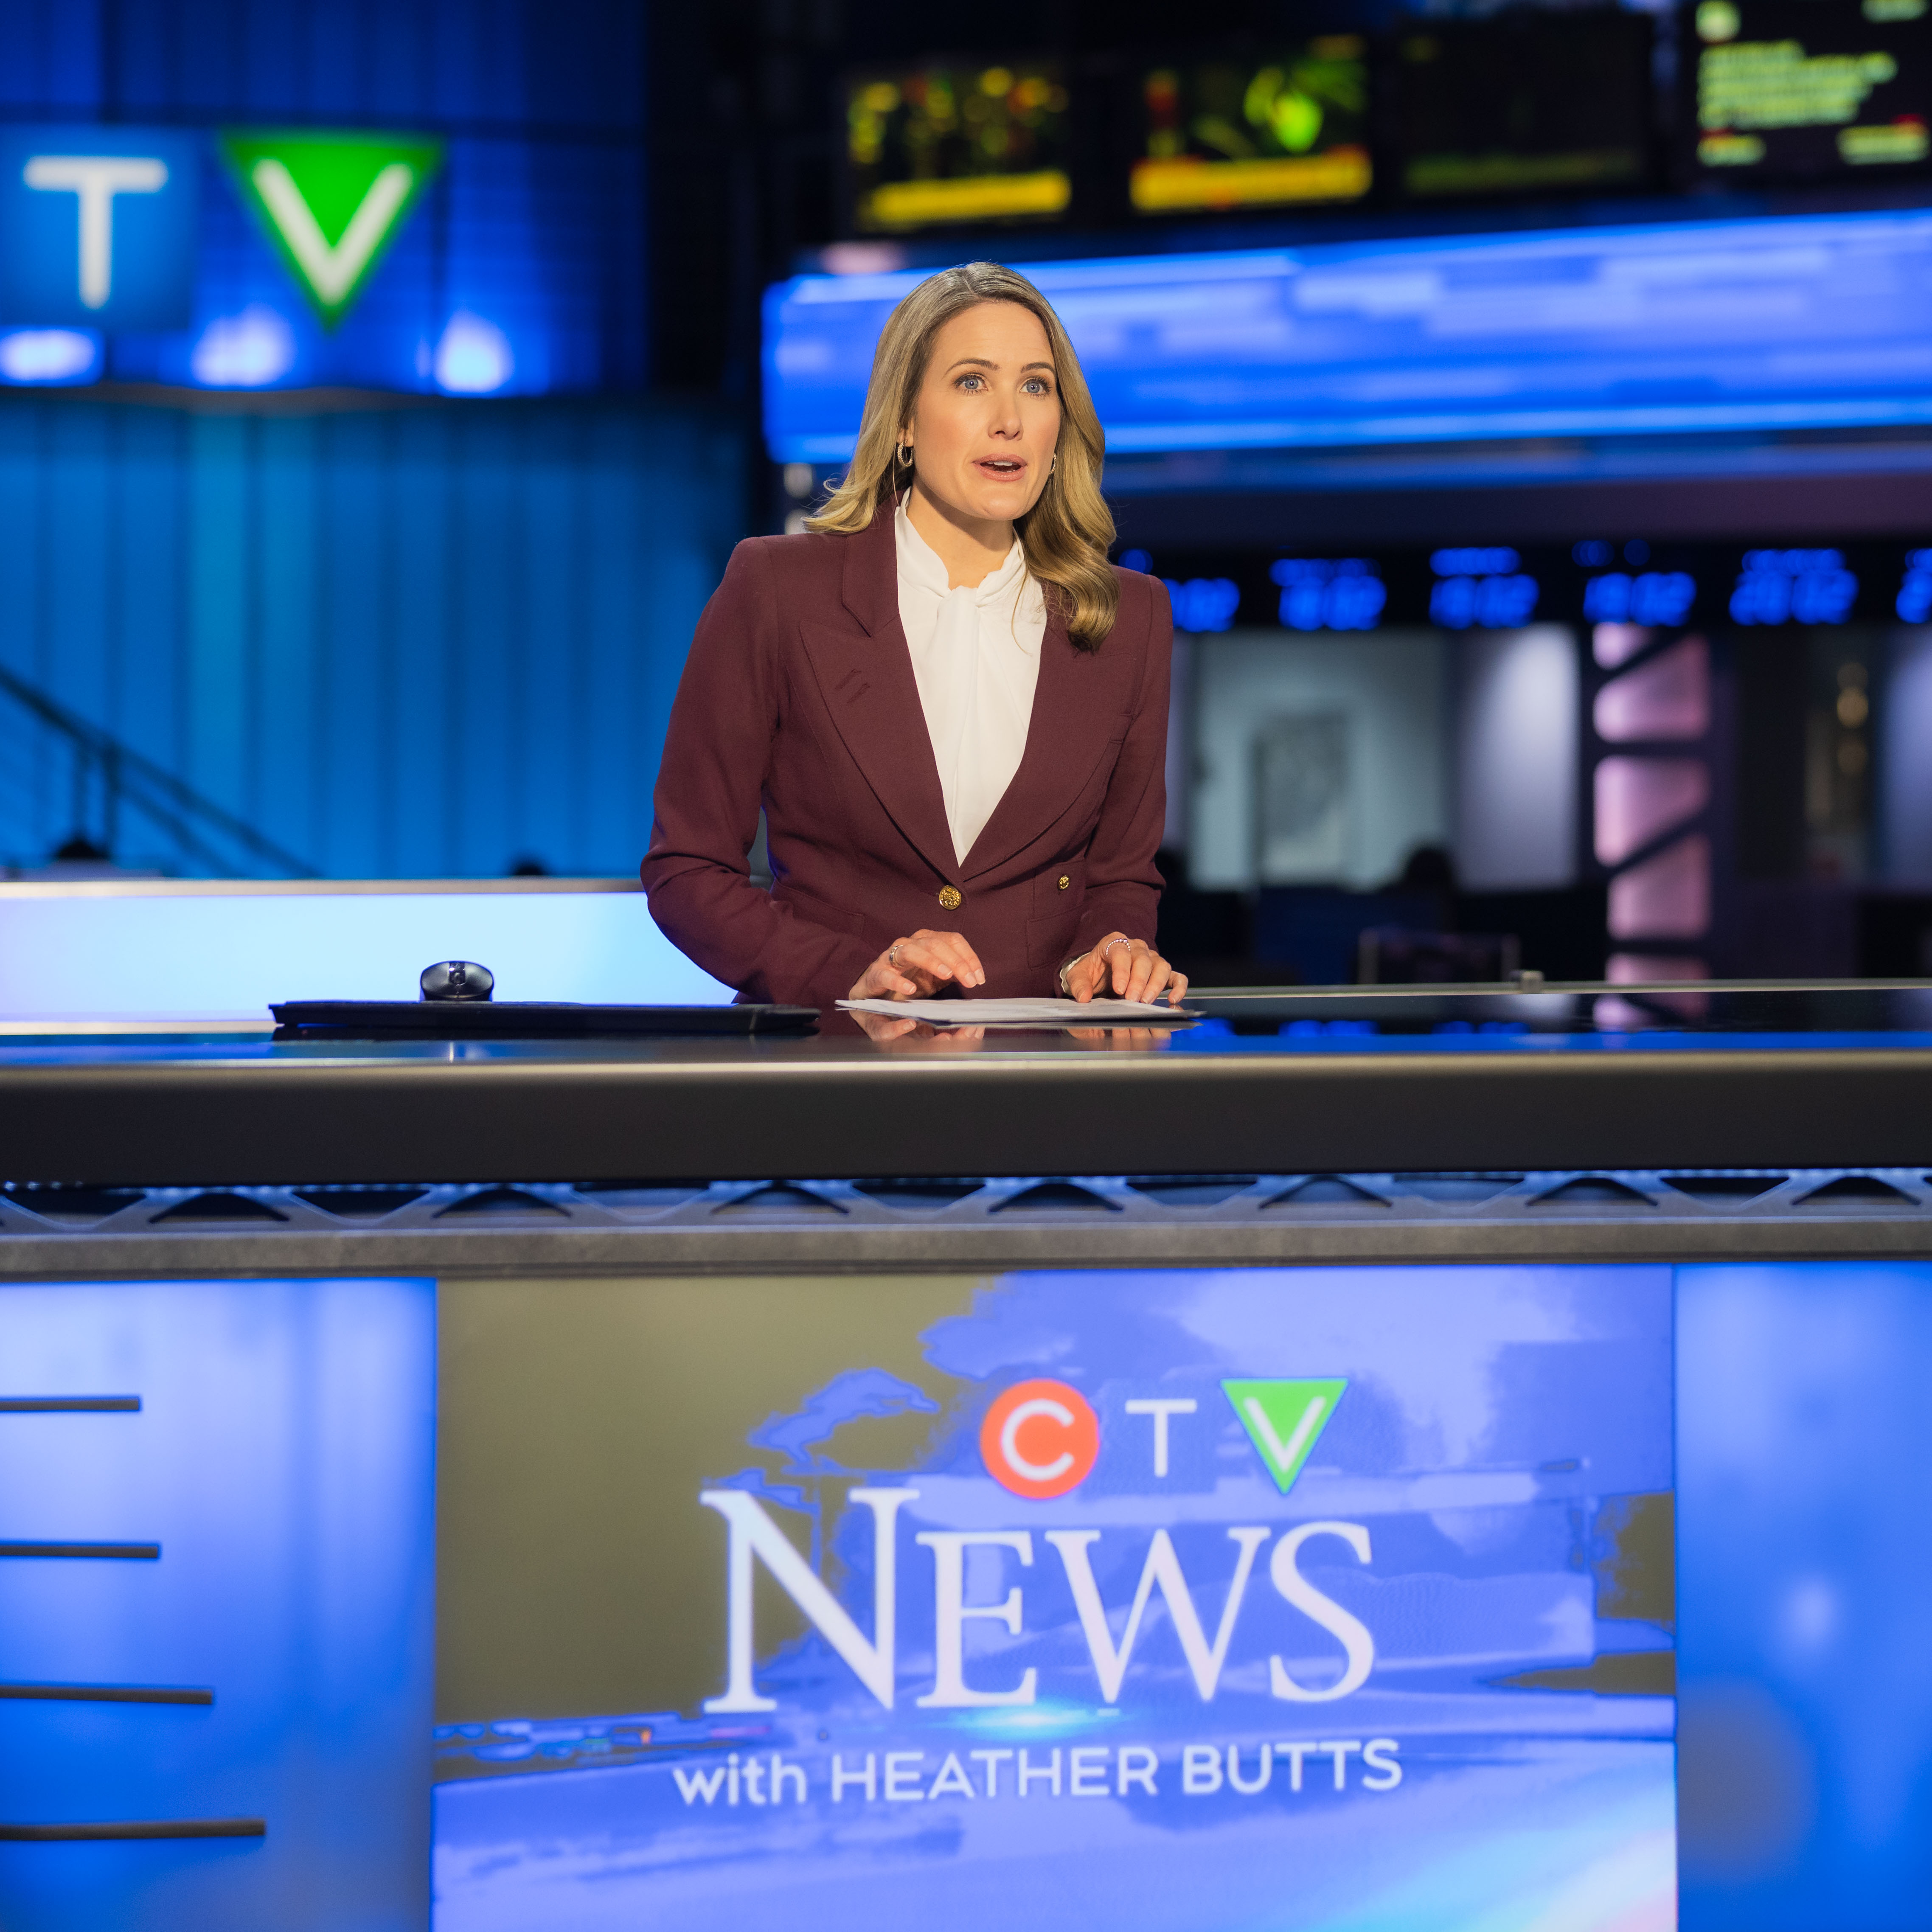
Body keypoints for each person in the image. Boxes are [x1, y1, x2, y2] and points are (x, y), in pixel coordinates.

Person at [640, 261, 1187, 1011]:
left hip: (1043, 1086)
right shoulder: (777, 590)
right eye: (972, 382)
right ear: (903, 420)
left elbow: (1121, 879)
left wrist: (1111, 950)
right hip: (838, 1078)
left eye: (1036, 385)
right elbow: (688, 872)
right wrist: (846, 974)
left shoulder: (1131, 618)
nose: (1010, 418)